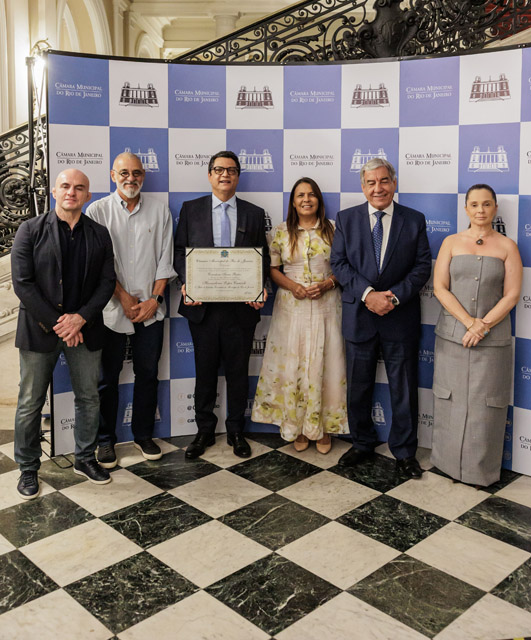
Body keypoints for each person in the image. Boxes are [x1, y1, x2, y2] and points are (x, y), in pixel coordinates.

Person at [11, 168, 116, 499]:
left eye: (80, 188)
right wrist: (61, 323)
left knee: (89, 397)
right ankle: (28, 468)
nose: (72, 192)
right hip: (40, 331)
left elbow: (106, 282)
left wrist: (80, 319)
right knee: (30, 401)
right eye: (66, 186)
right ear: (54, 192)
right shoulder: (30, 230)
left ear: (87, 195)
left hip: (85, 330)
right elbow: (22, 283)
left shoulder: (99, 233)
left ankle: (84, 458)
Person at [331, 158, 431, 478]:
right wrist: (368, 295)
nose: (378, 188)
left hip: (399, 316)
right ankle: (361, 442)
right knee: (358, 386)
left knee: (403, 388)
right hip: (360, 315)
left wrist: (393, 297)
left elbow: (421, 267)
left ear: (394, 183)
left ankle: (404, 451)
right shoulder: (346, 219)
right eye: (371, 183)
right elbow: (339, 263)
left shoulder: (414, 220)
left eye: (384, 181)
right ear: (363, 187)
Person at [174, 150, 269, 459]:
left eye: (231, 170)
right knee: (204, 371)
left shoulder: (254, 213)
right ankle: (204, 430)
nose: (225, 175)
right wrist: (188, 283)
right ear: (210, 175)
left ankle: (236, 430)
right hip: (202, 307)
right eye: (218, 169)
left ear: (238, 176)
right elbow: (179, 252)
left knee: (239, 372)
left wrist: (261, 288)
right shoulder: (191, 209)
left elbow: (262, 258)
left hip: (241, 308)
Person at [86, 152, 175, 468]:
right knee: (107, 378)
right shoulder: (97, 211)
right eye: (124, 172)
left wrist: (154, 300)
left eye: (137, 173)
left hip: (151, 310)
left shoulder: (159, 210)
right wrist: (122, 297)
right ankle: (105, 441)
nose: (131, 178)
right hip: (111, 309)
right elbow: (97, 265)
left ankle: (143, 435)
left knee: (148, 374)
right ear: (113, 175)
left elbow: (166, 259)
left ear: (144, 176)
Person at [431, 184, 522, 486]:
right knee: (449, 399)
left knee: (487, 406)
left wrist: (483, 325)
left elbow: (511, 295)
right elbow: (440, 288)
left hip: (492, 340)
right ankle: (445, 464)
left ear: (495, 208)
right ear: (466, 209)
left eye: (486, 204)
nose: (480, 210)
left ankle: (479, 473)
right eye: (474, 204)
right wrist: (468, 321)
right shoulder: (451, 242)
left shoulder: (508, 247)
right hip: (452, 337)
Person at [252, 177, 347, 453]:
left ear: (319, 199)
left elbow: (345, 266)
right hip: (290, 307)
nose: (306, 199)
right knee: (292, 363)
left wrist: (327, 283)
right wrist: (293, 286)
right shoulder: (281, 232)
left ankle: (322, 427)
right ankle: (297, 426)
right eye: (300, 195)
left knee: (325, 362)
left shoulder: (334, 230)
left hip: (326, 304)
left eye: (311, 195)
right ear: (293, 202)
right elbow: (272, 269)